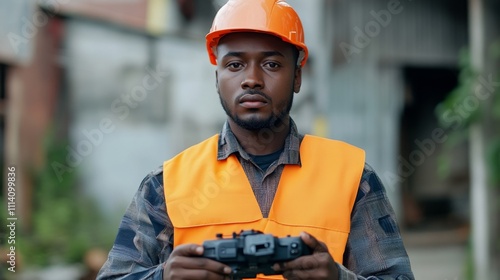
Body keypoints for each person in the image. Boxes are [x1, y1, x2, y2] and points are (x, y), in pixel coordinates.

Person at [97, 0, 414, 279]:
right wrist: (164, 277)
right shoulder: (166, 186)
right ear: (217, 78)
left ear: (298, 77)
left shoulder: (353, 178)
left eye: (272, 64)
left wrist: (338, 278)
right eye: (234, 65)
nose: (251, 79)